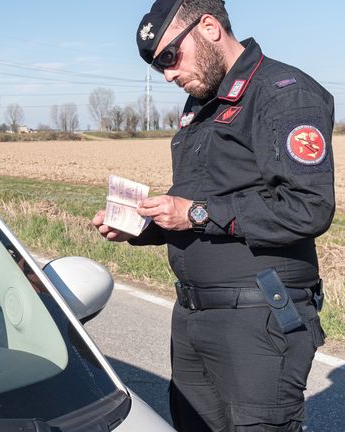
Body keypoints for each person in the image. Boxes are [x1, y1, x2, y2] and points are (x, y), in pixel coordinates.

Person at [93, 1, 334, 430]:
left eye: (169, 57)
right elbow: (199, 204)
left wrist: (198, 213)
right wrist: (140, 226)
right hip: (193, 315)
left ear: (208, 27)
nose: (167, 74)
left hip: (257, 320)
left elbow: (308, 207)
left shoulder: (283, 92)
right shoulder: (201, 103)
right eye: (156, 67)